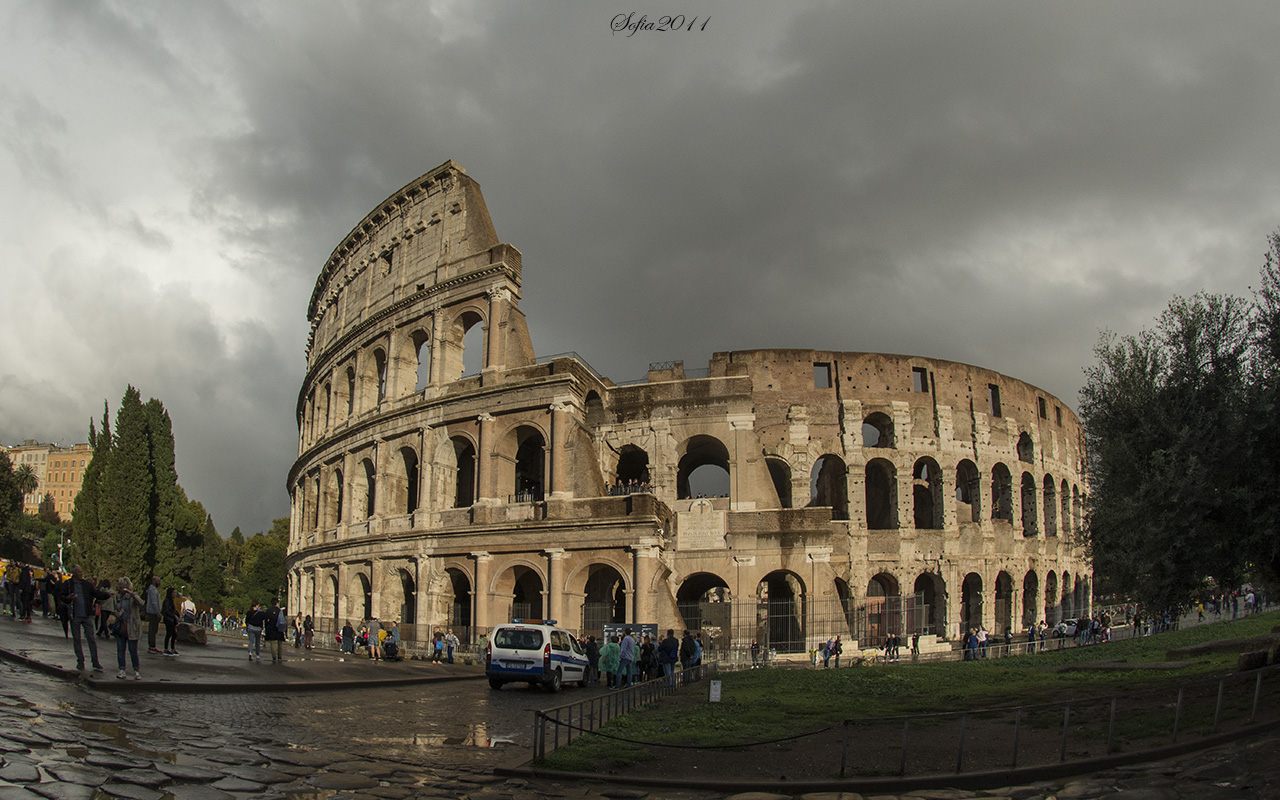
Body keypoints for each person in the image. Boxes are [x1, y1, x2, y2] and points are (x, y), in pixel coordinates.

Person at [63, 565, 108, 672]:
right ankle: (80, 661)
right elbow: (62, 596)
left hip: (86, 615)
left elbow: (96, 593)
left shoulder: (87, 585)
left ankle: (95, 661)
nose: (81, 574)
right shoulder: (68, 584)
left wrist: (107, 595)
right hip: (75, 615)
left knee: (91, 639)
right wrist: (69, 598)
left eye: (81, 571)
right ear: (74, 573)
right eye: (79, 572)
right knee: (77, 639)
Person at [112, 577, 143, 680]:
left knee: (133, 650)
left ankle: (136, 670)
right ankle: (122, 669)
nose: (121, 589)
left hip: (131, 626)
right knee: (120, 649)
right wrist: (116, 613)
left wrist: (131, 593)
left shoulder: (132, 597)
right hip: (121, 624)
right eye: (120, 586)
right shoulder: (118, 597)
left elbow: (141, 603)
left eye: (123, 586)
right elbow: (116, 608)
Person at [265, 598, 286, 663]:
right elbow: (283, 621)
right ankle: (280, 656)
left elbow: (266, 620)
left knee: (273, 643)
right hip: (279, 628)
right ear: (277, 603)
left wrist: (266, 628)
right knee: (280, 643)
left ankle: (274, 657)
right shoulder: (280, 611)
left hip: (271, 628)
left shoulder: (268, 610)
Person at [144, 576, 162, 653]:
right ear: (153, 581)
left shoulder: (153, 589)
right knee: (153, 629)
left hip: (153, 611)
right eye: (158, 581)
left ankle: (152, 645)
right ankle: (152, 646)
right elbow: (154, 602)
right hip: (153, 612)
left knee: (154, 629)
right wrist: (157, 612)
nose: (159, 583)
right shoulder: (152, 590)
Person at [161, 587, 180, 656]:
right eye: (174, 592)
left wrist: (177, 614)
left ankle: (172, 648)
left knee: (174, 634)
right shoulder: (167, 601)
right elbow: (167, 611)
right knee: (169, 634)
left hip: (171, 619)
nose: (175, 594)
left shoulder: (171, 601)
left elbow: (172, 610)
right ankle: (166, 649)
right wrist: (174, 616)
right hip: (168, 619)